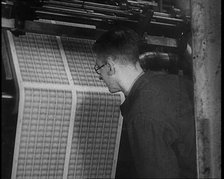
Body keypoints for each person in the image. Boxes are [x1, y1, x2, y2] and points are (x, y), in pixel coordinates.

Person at [92, 26, 197, 178]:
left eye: (98, 68)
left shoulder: (141, 115)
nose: (99, 76)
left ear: (110, 67)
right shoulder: (174, 81)